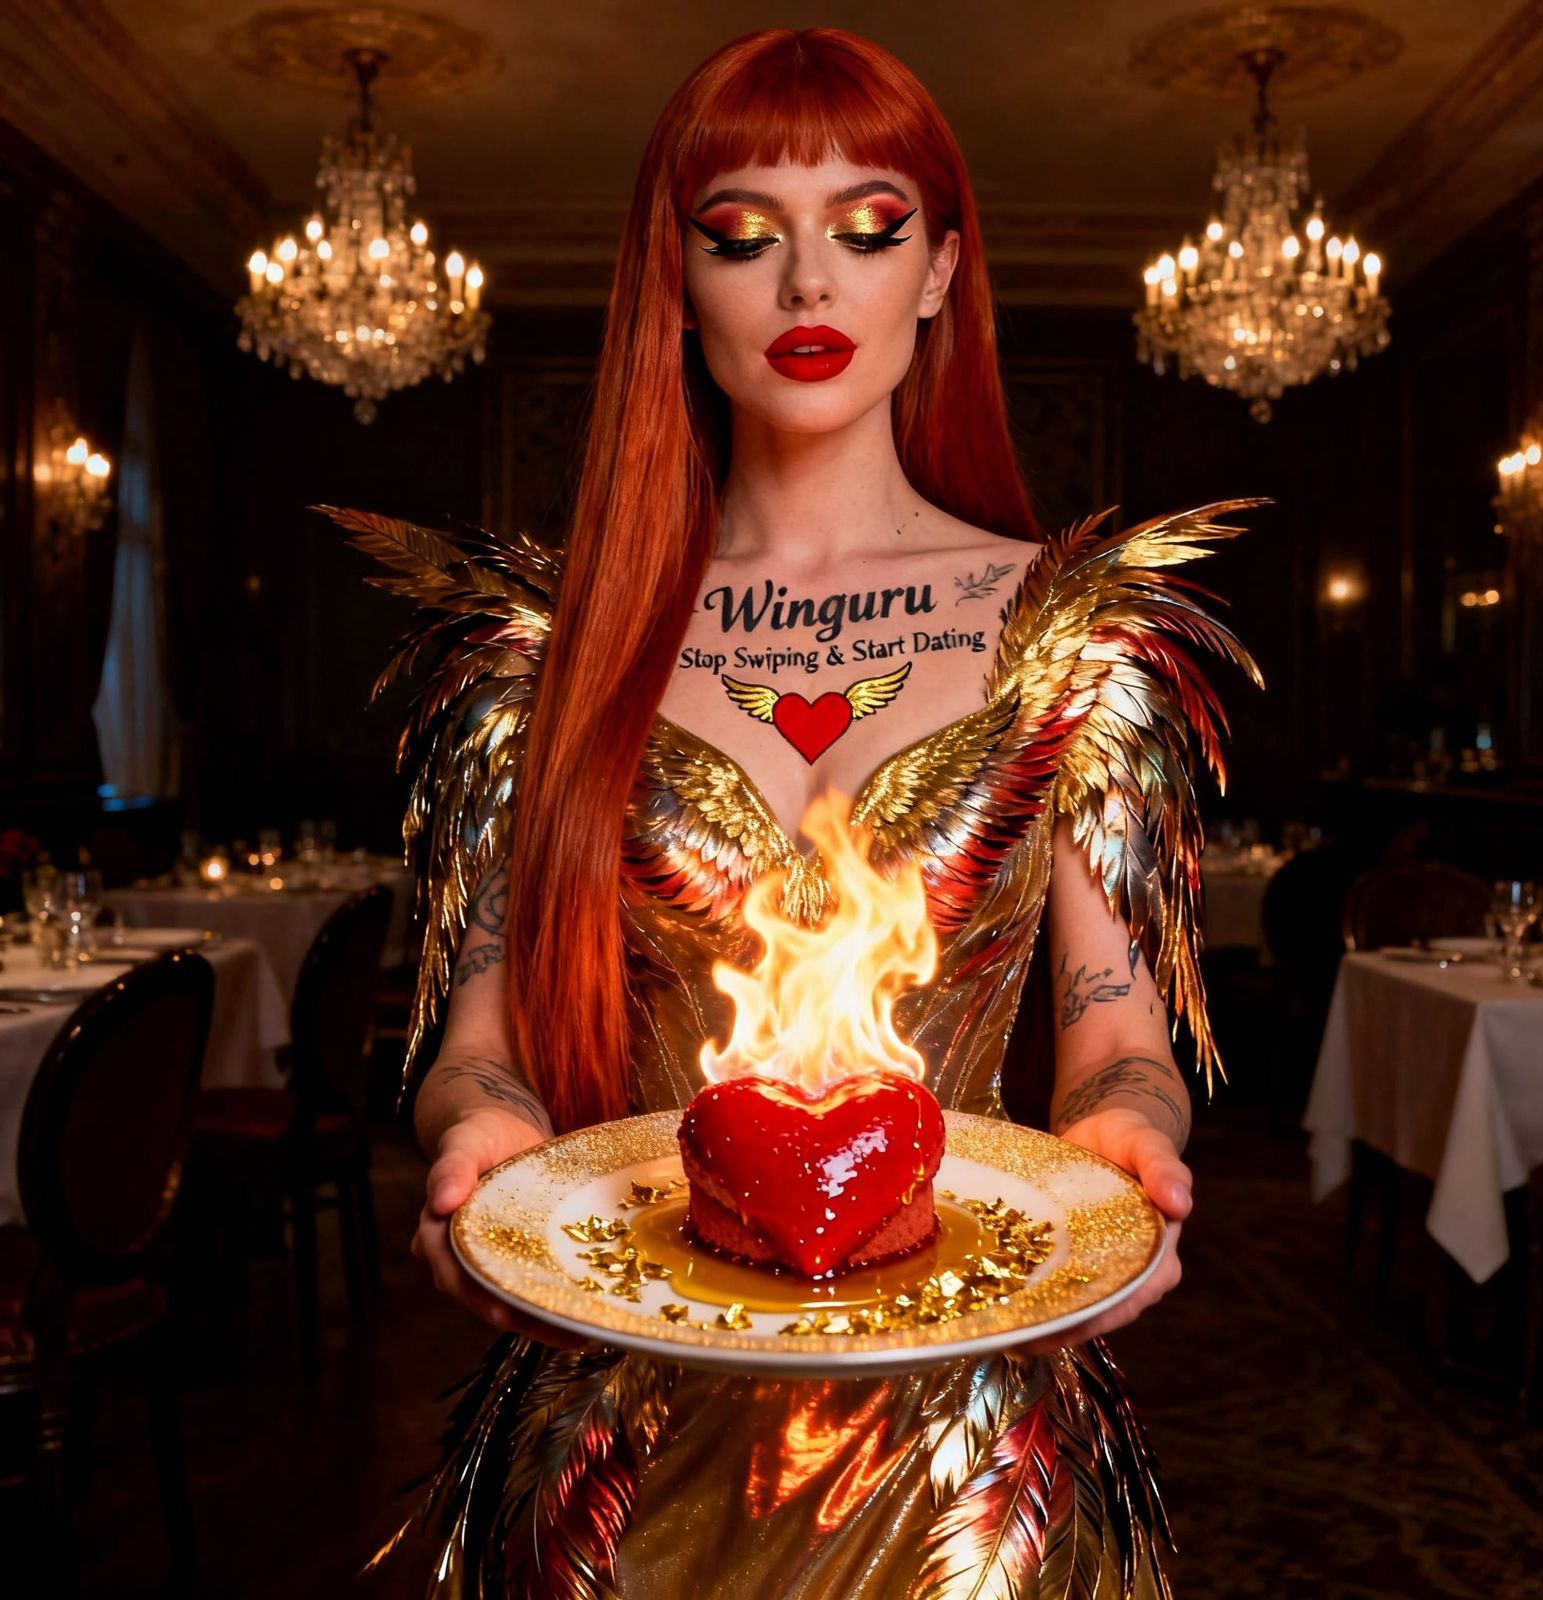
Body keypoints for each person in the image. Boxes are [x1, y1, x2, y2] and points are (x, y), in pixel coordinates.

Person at [327, 27, 1258, 1599]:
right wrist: (479, 1130)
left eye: (870, 229)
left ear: (944, 269)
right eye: (745, 236)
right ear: (678, 282)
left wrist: (1130, 1145)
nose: (810, 286)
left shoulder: (1074, 639)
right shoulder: (547, 658)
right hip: (618, 1456)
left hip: (965, 1479)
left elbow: (1115, 1036)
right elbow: (476, 1037)